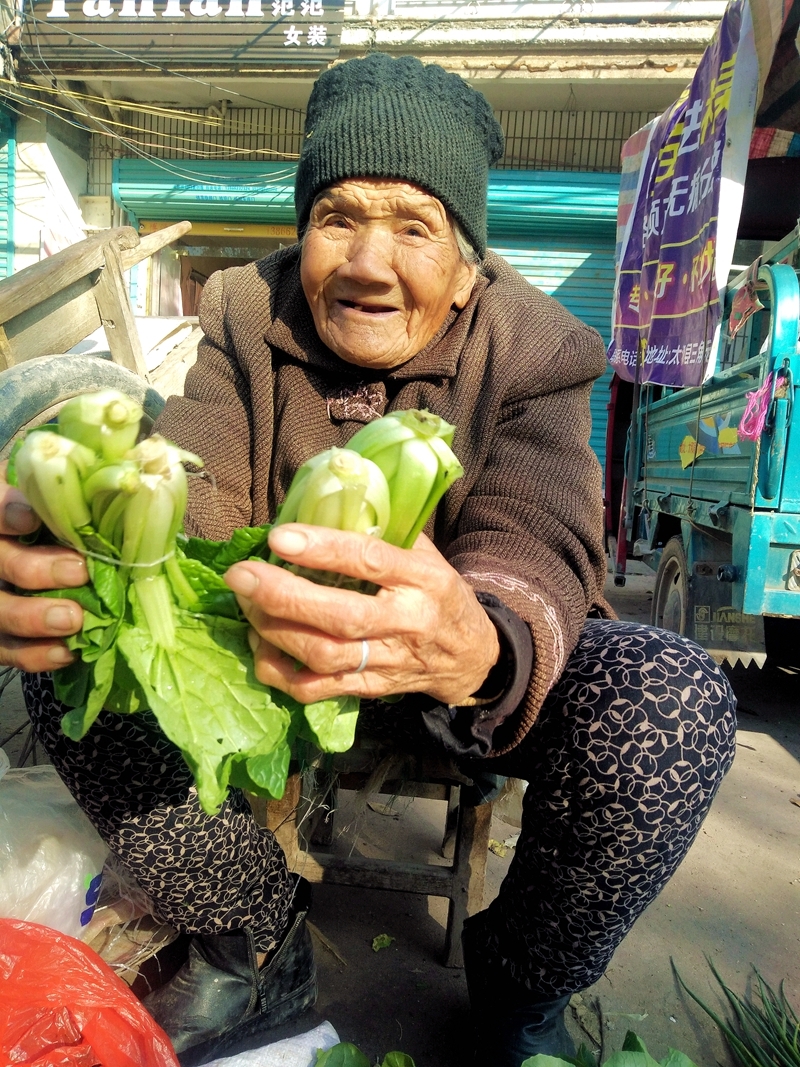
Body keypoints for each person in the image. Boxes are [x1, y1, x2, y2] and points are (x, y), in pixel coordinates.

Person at [0, 53, 736, 1067]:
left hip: (456, 673)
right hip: (259, 647)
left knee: (667, 699)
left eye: (413, 225)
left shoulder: (537, 346)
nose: (366, 261)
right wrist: (99, 536)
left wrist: (483, 633)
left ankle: (521, 983)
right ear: (303, 229)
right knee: (76, 648)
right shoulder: (241, 315)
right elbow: (195, 480)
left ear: (469, 262)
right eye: (338, 216)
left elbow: (540, 531)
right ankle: (253, 933)